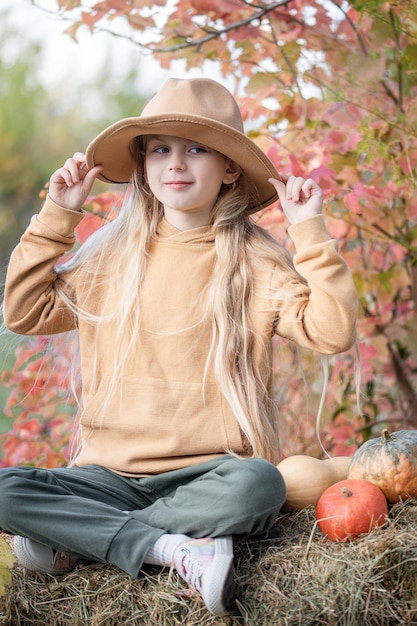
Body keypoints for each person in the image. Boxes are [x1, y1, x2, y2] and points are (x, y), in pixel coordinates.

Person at [0, 77, 357, 616]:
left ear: (230, 168)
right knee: (5, 488)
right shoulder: (110, 257)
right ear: (143, 165)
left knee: (260, 484)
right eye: (161, 149)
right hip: (106, 478)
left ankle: (85, 540)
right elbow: (23, 311)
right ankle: (168, 546)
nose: (176, 164)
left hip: (210, 477)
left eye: (196, 149)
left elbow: (332, 331)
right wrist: (57, 214)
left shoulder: (254, 263)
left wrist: (309, 231)